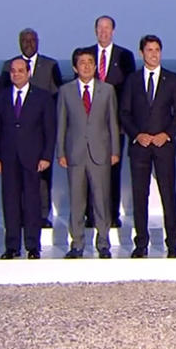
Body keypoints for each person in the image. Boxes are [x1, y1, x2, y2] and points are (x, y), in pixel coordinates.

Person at [120, 35, 176, 258]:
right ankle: (141, 243)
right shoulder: (132, 81)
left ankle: (173, 243)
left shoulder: (173, 79)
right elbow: (124, 113)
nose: (154, 54)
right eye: (149, 50)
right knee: (140, 196)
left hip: (163, 146)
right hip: (140, 147)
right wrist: (138, 135)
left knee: (168, 194)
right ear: (141, 53)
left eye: (157, 49)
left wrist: (166, 134)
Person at [0, 58, 56, 260]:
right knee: (10, 201)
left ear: (28, 73)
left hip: (33, 157)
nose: (16, 74)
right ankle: (12, 246)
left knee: (32, 202)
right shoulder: (1, 97)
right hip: (8, 157)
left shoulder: (42, 97)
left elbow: (49, 129)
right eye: (13, 71)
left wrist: (46, 156)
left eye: (20, 70)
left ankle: (32, 245)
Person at [56, 48, 120, 259]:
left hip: (100, 153)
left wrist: (115, 150)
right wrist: (61, 152)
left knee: (101, 200)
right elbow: (62, 124)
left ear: (95, 66)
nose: (86, 66)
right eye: (82, 62)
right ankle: (77, 244)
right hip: (75, 154)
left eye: (90, 62)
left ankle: (103, 243)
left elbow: (112, 122)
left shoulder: (107, 90)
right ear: (75, 67)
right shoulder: (66, 91)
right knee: (77, 201)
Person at [1, 28, 62, 227]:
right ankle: (20, 215)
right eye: (24, 40)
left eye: (31, 40)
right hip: (17, 134)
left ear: (38, 41)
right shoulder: (8, 66)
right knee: (16, 181)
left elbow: (57, 96)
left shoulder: (50, 65)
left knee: (43, 177)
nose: (28, 43)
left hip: (42, 129)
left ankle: (42, 215)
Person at [83, 15, 136, 228]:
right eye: (100, 28)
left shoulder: (125, 56)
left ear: (113, 31)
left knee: (113, 169)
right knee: (89, 169)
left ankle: (112, 214)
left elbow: (130, 90)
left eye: (107, 28)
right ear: (95, 30)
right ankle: (91, 214)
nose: (103, 32)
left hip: (115, 124)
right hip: (89, 124)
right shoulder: (86, 55)